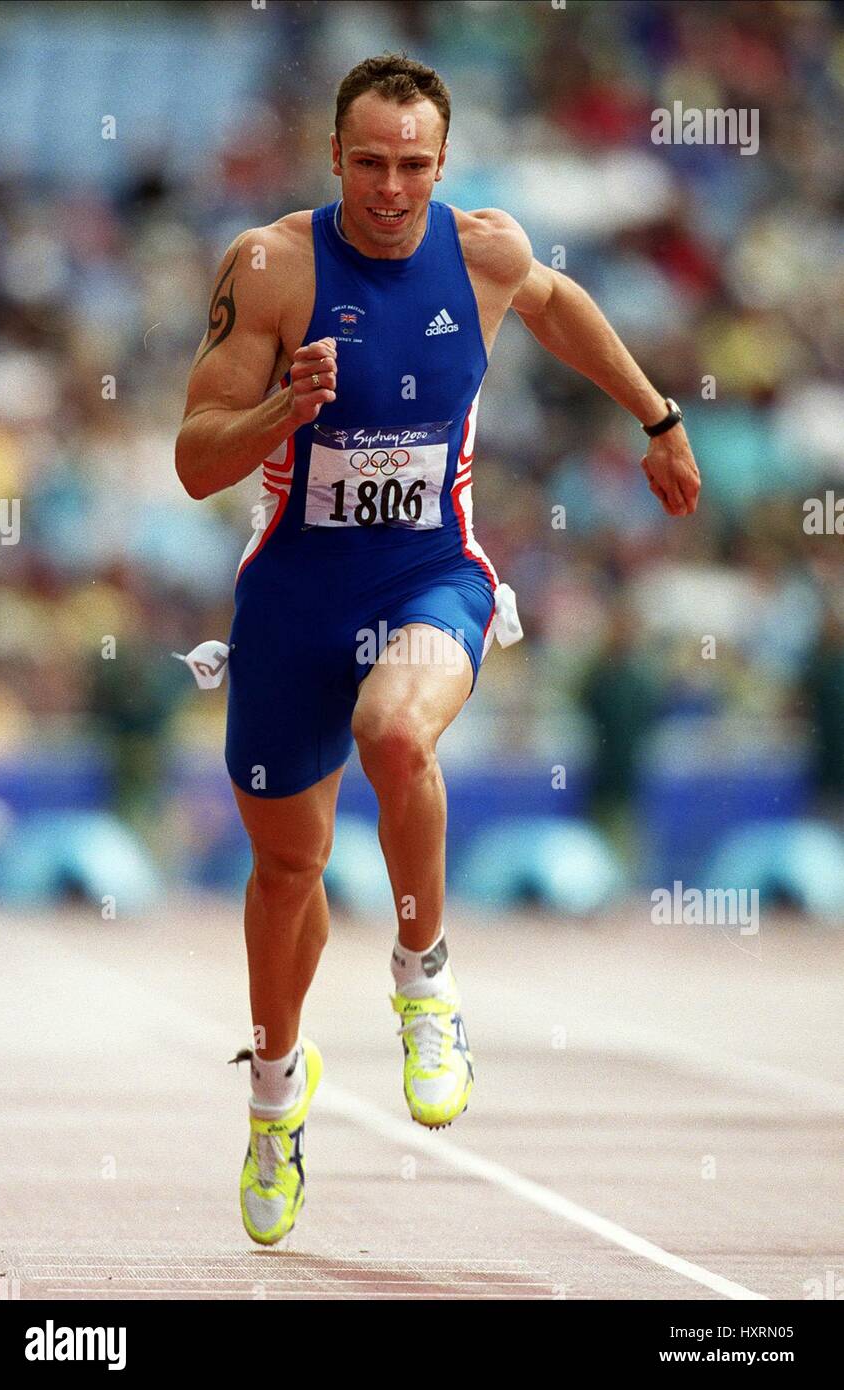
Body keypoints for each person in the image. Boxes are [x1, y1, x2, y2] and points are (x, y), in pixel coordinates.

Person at [174, 53, 701, 1247]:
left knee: (395, 733)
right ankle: (275, 1096)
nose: (392, 188)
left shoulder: (486, 252)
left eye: (415, 165)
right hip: (293, 600)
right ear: (334, 159)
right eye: (370, 163)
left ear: (442, 165)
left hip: (430, 572)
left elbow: (558, 307)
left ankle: (422, 976)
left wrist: (656, 416)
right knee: (287, 876)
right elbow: (195, 458)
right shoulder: (269, 268)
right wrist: (280, 411)